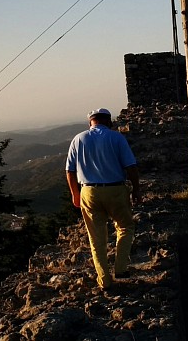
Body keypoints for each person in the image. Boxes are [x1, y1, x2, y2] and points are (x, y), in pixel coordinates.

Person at [64, 108, 139, 290]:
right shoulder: (117, 137)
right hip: (116, 189)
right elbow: (131, 166)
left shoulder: (78, 139)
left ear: (91, 122)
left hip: (88, 192)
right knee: (125, 227)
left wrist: (75, 194)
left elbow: (70, 171)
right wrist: (136, 190)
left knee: (96, 238)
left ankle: (104, 280)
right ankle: (120, 269)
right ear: (109, 121)